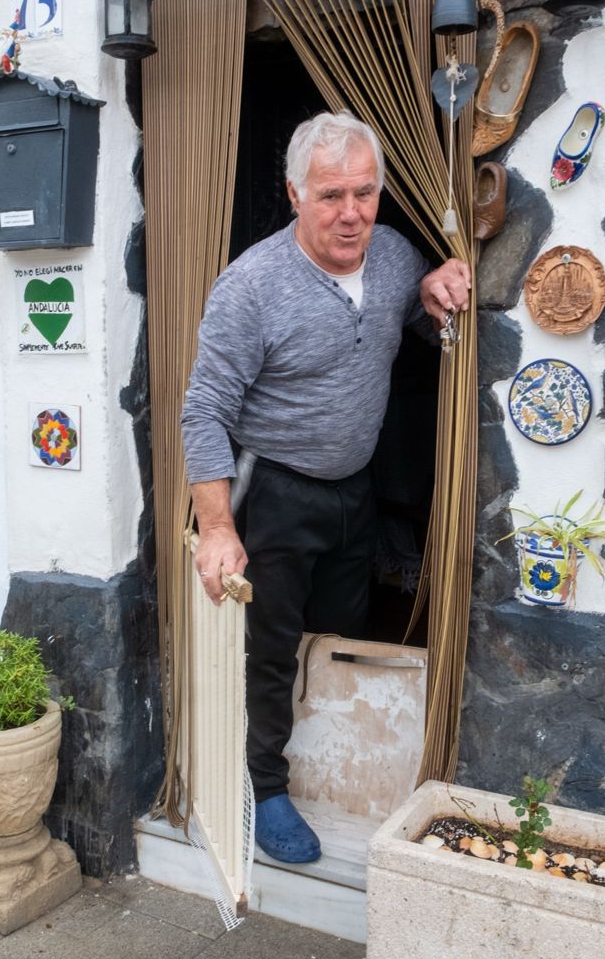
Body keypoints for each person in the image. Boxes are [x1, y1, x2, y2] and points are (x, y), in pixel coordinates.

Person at [180, 111, 471, 863]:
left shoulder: (397, 254)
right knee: (271, 650)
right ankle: (264, 788)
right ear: (294, 194)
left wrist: (435, 286)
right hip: (274, 489)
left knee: (341, 634)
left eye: (365, 193)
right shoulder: (252, 286)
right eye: (332, 194)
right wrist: (218, 527)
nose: (351, 213)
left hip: (355, 488)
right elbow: (204, 408)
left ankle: (328, 769)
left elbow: (405, 314)